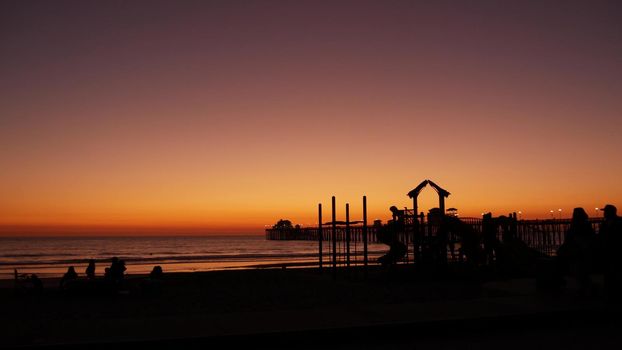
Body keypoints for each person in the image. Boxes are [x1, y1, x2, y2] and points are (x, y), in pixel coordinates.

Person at [558, 208, 595, 296]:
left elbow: (571, 238)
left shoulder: (578, 225)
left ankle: (585, 288)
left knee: (578, 270)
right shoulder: (586, 224)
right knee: (580, 271)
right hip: (580, 251)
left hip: (578, 251)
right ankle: (585, 287)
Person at [599, 204, 622, 300]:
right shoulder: (605, 223)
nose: (604, 213)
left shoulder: (619, 222)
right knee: (608, 273)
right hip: (607, 252)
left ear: (609, 212)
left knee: (616, 273)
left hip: (616, 251)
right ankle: (609, 293)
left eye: (605, 211)